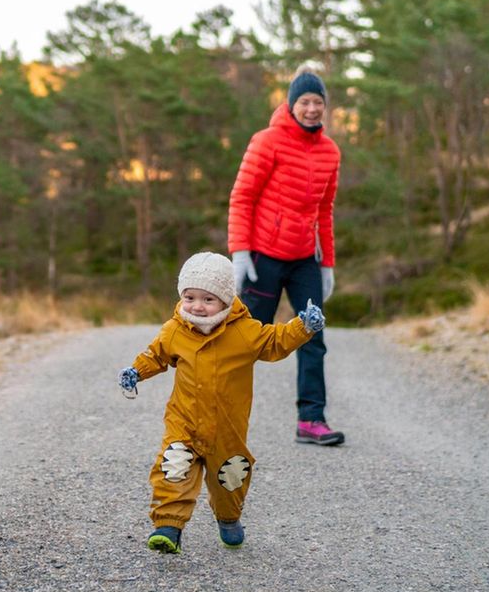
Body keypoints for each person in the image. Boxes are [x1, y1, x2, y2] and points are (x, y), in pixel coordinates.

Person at [118, 252, 325, 554]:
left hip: (227, 428)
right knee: (172, 467)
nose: (197, 306)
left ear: (226, 300)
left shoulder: (244, 331)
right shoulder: (175, 330)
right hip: (184, 422)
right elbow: (156, 355)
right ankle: (168, 526)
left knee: (231, 476)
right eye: (190, 297)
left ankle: (228, 518)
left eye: (208, 299)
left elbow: (275, 341)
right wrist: (136, 371)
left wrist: (303, 327)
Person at [227, 67, 344, 447]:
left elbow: (325, 210)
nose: (312, 109)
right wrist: (241, 252)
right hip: (263, 257)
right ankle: (222, 412)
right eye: (305, 102)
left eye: (318, 103)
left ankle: (311, 419)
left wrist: (326, 263)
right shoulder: (267, 141)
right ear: (291, 105)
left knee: (312, 337)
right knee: (247, 339)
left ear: (325, 107)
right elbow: (242, 196)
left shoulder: (330, 152)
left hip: (304, 259)